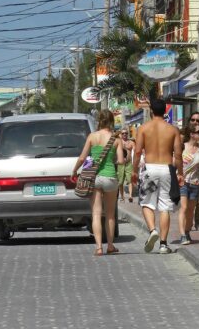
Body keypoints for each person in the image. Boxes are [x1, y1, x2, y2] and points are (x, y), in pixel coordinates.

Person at [132, 99, 183, 254]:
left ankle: (153, 230)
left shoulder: (143, 128)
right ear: (165, 112)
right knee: (165, 206)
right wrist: (180, 172)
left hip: (150, 168)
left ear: (151, 111)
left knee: (146, 202)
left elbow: (138, 151)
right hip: (167, 168)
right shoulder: (173, 129)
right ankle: (163, 244)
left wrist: (134, 170)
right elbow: (178, 154)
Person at [72, 110, 124, 256]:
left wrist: (74, 171)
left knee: (95, 214)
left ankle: (99, 247)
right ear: (112, 121)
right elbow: (120, 161)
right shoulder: (116, 139)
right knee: (110, 215)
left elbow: (82, 158)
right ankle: (111, 245)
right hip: (110, 178)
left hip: (94, 178)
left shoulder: (92, 136)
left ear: (99, 120)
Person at [178, 124, 199, 245]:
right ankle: (182, 235)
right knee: (183, 208)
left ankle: (187, 231)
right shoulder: (182, 146)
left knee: (190, 211)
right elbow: (174, 162)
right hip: (183, 182)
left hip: (195, 183)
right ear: (192, 134)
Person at [118, 128, 135, 203]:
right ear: (120, 134)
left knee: (130, 180)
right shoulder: (118, 142)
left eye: (126, 133)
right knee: (120, 181)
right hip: (121, 164)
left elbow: (135, 152)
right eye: (123, 133)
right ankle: (122, 197)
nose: (124, 134)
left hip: (129, 163)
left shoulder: (131, 142)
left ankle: (130, 196)